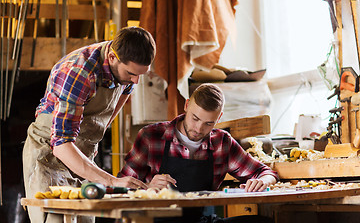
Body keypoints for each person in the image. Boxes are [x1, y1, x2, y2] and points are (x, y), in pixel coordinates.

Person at [23, 26, 155, 223]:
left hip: (83, 152)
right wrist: (112, 181)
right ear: (112, 57)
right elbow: (61, 146)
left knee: (86, 219)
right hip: (50, 153)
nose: (135, 80)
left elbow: (115, 107)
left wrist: (91, 145)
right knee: (55, 220)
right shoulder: (78, 72)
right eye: (131, 73)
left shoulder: (128, 70)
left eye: (140, 75)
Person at [119, 83, 279, 223]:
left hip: (201, 220)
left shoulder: (221, 142)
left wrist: (263, 181)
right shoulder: (151, 136)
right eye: (195, 118)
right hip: (155, 220)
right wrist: (148, 188)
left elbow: (265, 172)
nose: (198, 129)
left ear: (219, 117)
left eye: (208, 123)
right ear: (187, 105)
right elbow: (120, 187)